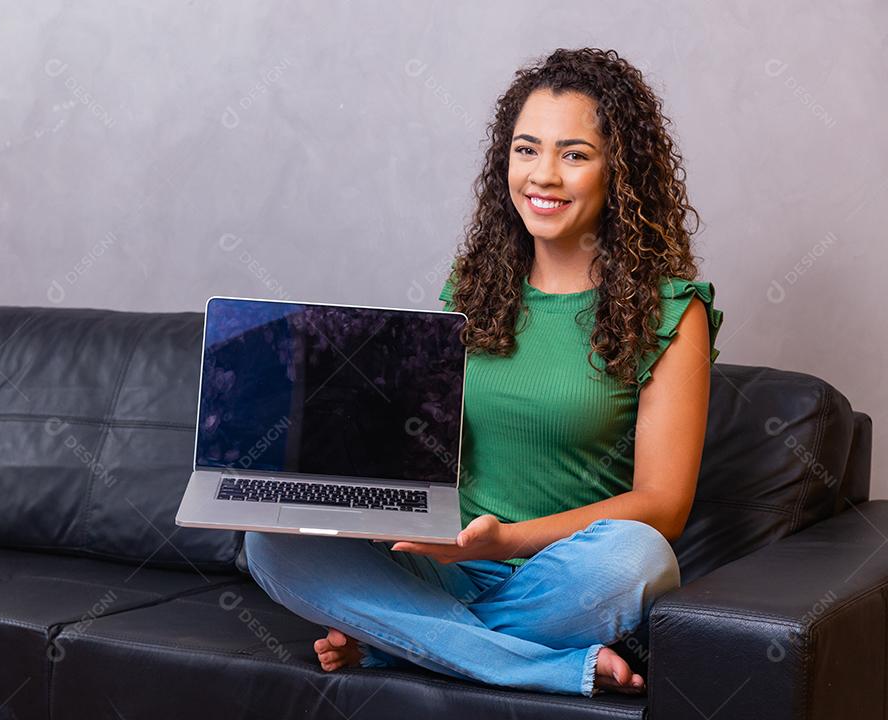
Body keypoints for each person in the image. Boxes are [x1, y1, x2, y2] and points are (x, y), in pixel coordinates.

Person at [243, 46, 724, 697]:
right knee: (272, 542)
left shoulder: (672, 311)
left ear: (620, 171)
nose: (543, 175)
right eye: (526, 150)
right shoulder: (473, 290)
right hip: (443, 564)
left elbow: (662, 506)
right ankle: (542, 664)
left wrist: (503, 541)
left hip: (562, 576)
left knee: (640, 561)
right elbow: (423, 443)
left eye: (574, 154)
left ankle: (398, 644)